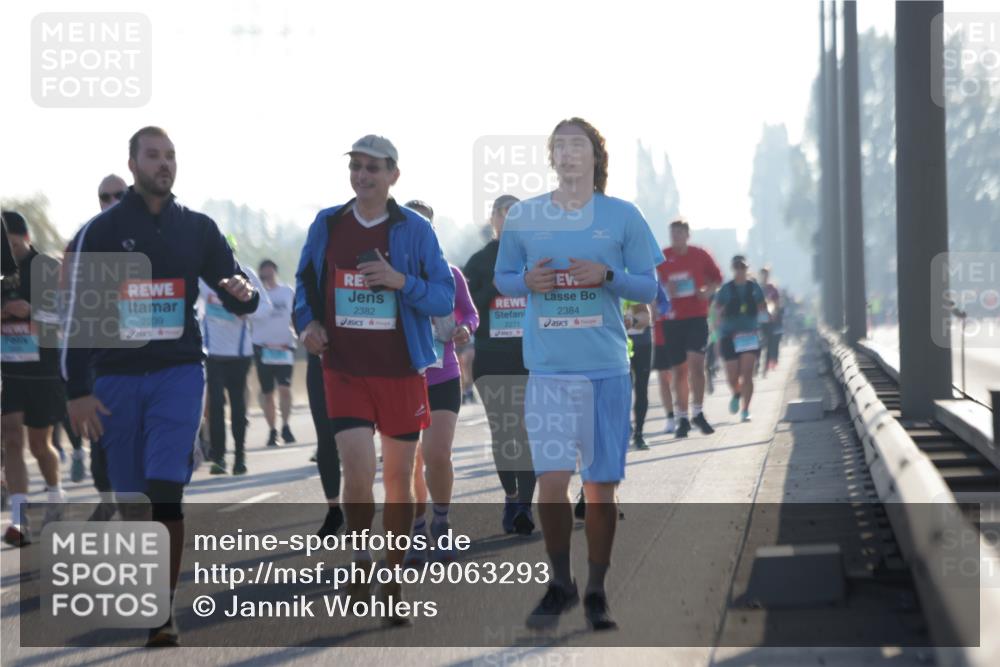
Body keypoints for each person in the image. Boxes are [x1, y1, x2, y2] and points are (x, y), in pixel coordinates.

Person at [63, 126, 260, 646]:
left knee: (166, 491)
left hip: (178, 372)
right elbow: (74, 317)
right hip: (115, 379)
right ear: (132, 164)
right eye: (153, 156)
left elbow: (236, 287)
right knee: (132, 500)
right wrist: (76, 390)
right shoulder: (100, 231)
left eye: (170, 156)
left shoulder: (196, 228)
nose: (164, 164)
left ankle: (161, 612)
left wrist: (245, 294)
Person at [495, 118, 662, 632]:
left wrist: (607, 276)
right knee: (550, 484)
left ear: (595, 157)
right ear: (551, 157)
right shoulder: (524, 217)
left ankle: (596, 589)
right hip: (547, 371)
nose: (568, 155)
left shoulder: (622, 216)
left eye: (578, 146)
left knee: (600, 489)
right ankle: (559, 582)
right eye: (559, 148)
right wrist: (526, 280)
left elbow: (650, 289)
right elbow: (503, 277)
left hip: (606, 370)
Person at [295, 134, 455, 624]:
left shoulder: (415, 231)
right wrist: (308, 324)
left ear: (393, 176)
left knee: (400, 481)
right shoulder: (328, 224)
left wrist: (399, 281)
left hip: (402, 370)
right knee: (358, 470)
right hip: (343, 368)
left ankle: (392, 576)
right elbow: (304, 283)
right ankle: (361, 560)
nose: (362, 175)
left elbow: (444, 297)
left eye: (373, 168)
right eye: (356, 166)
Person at [402, 200, 479, 566]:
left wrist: (465, 328)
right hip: (402, 379)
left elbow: (470, 311)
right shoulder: (388, 275)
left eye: (426, 226)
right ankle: (417, 528)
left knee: (436, 454)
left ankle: (442, 522)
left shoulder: (449, 273)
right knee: (409, 462)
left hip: (443, 373)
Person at [465, 194, 538, 535]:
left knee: (527, 432)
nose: (509, 220)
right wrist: (495, 286)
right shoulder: (479, 262)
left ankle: (525, 504)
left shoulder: (535, 259)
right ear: (493, 218)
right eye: (504, 213)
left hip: (531, 357)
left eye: (516, 214)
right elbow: (467, 311)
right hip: (491, 357)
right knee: (503, 431)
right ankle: (510, 496)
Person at [1, 210, 66, 547]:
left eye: (12, 245)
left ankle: (54, 492)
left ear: (25, 238)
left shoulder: (47, 268)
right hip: (8, 370)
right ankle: (18, 519)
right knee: (12, 437)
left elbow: (64, 316)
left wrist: (32, 310)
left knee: (41, 445)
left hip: (42, 370)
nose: (7, 252)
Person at [200, 237, 271, 475]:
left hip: (239, 353)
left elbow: (266, 308)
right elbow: (191, 302)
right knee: (216, 407)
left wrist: (247, 313)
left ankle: (240, 457)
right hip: (213, 352)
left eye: (228, 252)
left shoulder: (246, 273)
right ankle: (219, 458)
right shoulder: (203, 275)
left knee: (238, 408)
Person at [656, 220, 722, 438]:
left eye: (680, 233)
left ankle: (698, 412)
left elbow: (717, 279)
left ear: (687, 235)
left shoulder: (700, 255)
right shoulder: (661, 258)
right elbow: (651, 286)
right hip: (672, 319)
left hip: (696, 316)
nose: (676, 237)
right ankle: (682, 417)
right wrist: (666, 289)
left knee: (696, 364)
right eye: (672, 233)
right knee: (679, 371)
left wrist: (707, 291)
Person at [715, 255, 767, 422]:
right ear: (733, 269)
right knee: (732, 375)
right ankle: (737, 394)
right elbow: (717, 309)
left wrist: (766, 314)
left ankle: (746, 409)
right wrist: (716, 327)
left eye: (742, 267)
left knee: (747, 374)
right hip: (729, 335)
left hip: (749, 335)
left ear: (747, 268)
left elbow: (762, 305)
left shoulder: (754, 287)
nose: (740, 270)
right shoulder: (726, 289)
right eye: (737, 267)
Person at [252, 259, 297, 447]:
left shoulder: (287, 292)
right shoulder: (255, 295)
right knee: (268, 392)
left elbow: (296, 315)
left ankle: (286, 426)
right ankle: (272, 430)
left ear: (276, 273)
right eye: (264, 275)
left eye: (270, 274)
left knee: (284, 389)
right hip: (262, 347)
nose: (267, 278)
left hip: (285, 346)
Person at [758, 265, 783, 374]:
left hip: (769, 320)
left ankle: (765, 366)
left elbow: (777, 303)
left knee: (769, 342)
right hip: (758, 320)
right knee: (758, 342)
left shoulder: (772, 289)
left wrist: (775, 312)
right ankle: (757, 362)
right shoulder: (756, 288)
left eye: (766, 274)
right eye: (763, 274)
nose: (764, 276)